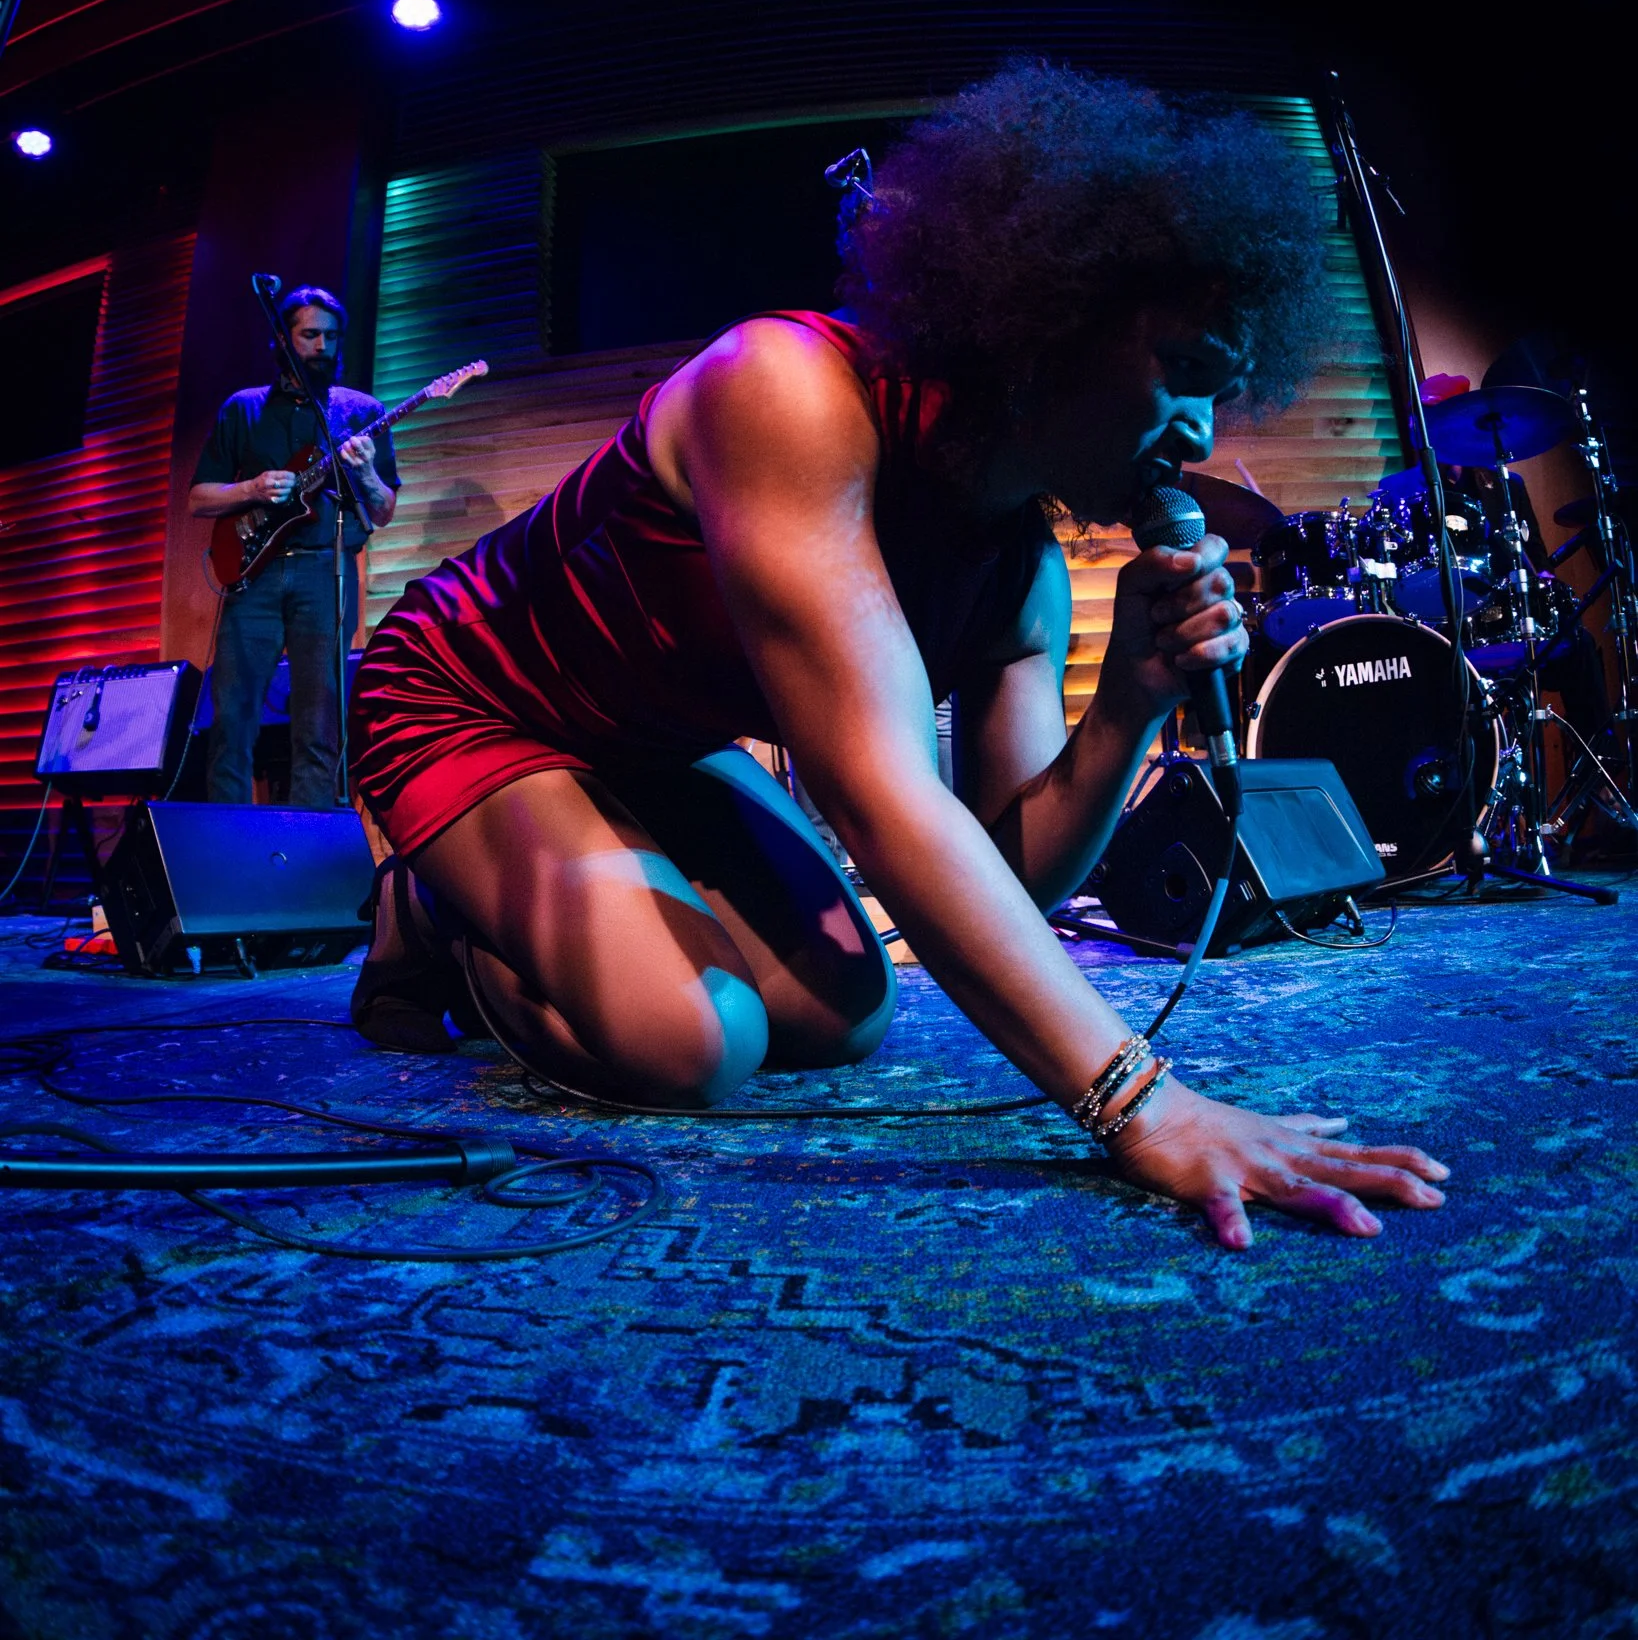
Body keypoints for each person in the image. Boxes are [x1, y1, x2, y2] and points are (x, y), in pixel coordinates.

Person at [347, 65, 1449, 1250]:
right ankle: (440, 910)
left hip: (648, 738)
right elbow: (883, 806)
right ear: (1047, 326)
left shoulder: (1018, 563)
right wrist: (1145, 1104)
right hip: (470, 697)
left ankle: (550, 866)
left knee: (847, 1010)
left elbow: (1007, 875)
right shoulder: (789, 394)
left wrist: (1128, 699)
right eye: (1182, 370)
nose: (1202, 433)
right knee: (693, 1041)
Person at [190, 286, 400, 807]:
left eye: (332, 336)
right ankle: (229, 845)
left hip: (324, 573)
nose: (322, 345)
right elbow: (198, 498)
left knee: (320, 723)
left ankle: (308, 854)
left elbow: (383, 510)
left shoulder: (361, 412)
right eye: (310, 335)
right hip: (252, 576)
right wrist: (251, 489)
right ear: (283, 339)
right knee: (232, 721)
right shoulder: (244, 409)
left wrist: (368, 472)